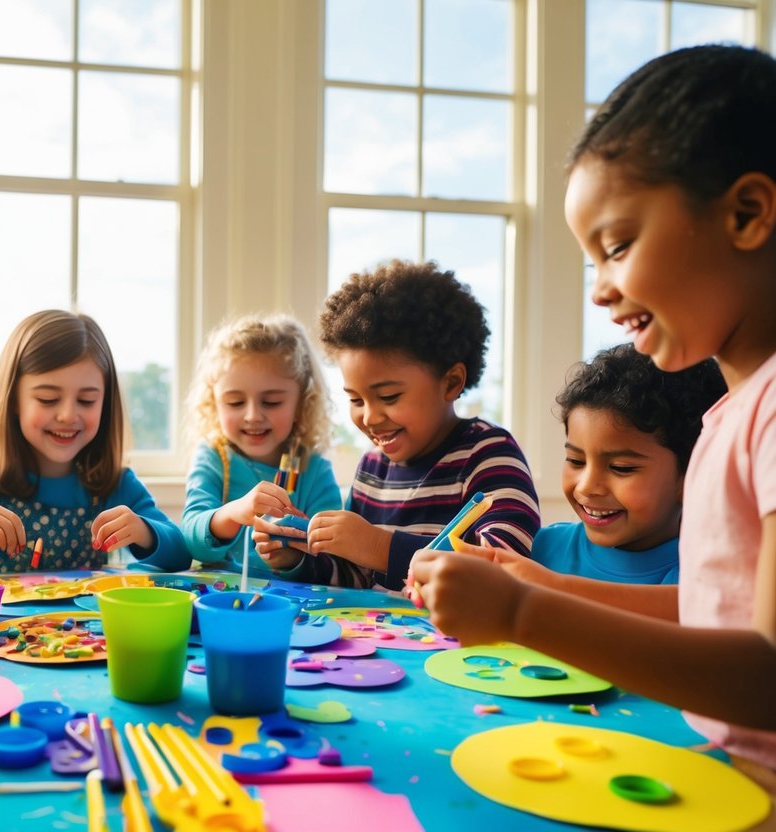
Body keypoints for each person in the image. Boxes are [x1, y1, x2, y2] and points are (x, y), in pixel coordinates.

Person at [410, 45, 776, 793]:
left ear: (746, 213)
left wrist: (520, 612)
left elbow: (767, 674)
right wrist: (537, 583)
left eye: (616, 247)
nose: (600, 292)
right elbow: (710, 612)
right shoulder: (732, 410)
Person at [265, 260, 541, 591]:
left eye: (389, 396)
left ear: (451, 382)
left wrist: (378, 546)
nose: (369, 418)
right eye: (355, 400)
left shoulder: (489, 454)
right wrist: (297, 558)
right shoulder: (371, 467)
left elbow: (503, 566)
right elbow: (358, 575)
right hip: (383, 638)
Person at [0, 310, 190, 573]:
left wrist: (144, 531)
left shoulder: (115, 482)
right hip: (3, 632)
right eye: (48, 399)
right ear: (14, 400)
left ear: (105, 403)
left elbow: (180, 552)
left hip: (85, 632)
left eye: (87, 400)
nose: (67, 415)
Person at [477, 344, 724, 613]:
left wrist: (549, 588)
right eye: (576, 461)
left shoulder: (707, 575)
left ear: (693, 475)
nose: (587, 486)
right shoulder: (538, 549)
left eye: (621, 467)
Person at [180, 314, 342, 577]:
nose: (253, 415)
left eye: (272, 402)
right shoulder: (213, 459)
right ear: (214, 403)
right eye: (235, 403)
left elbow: (334, 559)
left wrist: (293, 553)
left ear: (301, 403)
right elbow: (191, 539)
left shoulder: (314, 471)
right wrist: (233, 514)